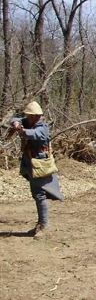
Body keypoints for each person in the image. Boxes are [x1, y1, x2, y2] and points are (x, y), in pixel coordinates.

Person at [9, 101, 64, 238]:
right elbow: (15, 119)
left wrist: (22, 131)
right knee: (36, 194)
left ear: (35, 116)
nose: (27, 118)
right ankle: (40, 224)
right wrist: (16, 123)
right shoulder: (28, 121)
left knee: (40, 195)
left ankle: (44, 226)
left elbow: (33, 134)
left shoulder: (42, 128)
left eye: (29, 116)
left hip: (40, 164)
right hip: (31, 164)